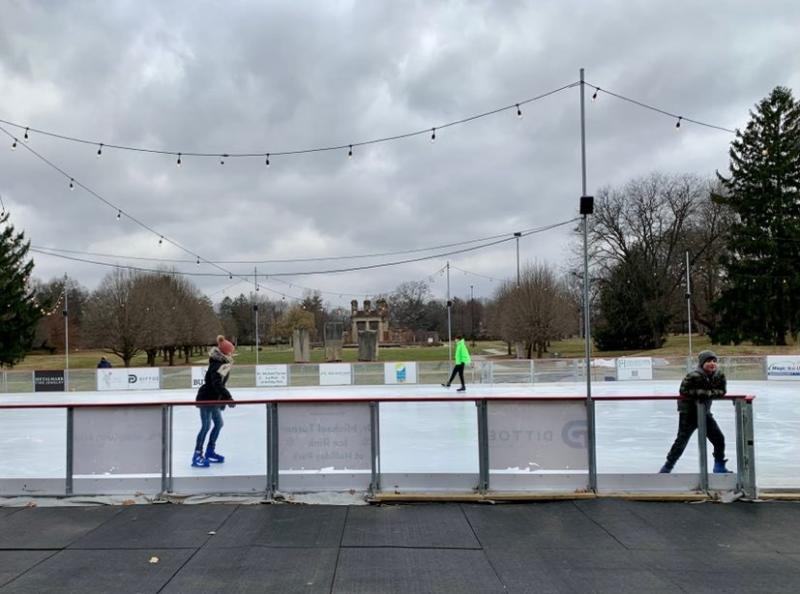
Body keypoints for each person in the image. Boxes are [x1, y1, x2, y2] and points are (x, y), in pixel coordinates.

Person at [659, 350, 732, 474]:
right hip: (689, 413)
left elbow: (722, 391)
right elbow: (683, 391)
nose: (712, 364)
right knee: (681, 441)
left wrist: (706, 394)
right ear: (702, 363)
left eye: (714, 361)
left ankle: (719, 466)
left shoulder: (719, 376)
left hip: (705, 412)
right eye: (709, 361)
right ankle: (667, 468)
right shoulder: (693, 375)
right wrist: (705, 393)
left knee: (719, 439)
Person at [192, 335, 236, 468]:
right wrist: (228, 397)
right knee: (205, 426)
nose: (232, 353)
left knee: (218, 424)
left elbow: (220, 384)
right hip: (206, 399)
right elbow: (216, 384)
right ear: (226, 352)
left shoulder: (223, 363)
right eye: (230, 351)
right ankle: (197, 455)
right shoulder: (218, 364)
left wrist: (222, 400)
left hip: (214, 399)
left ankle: (210, 451)